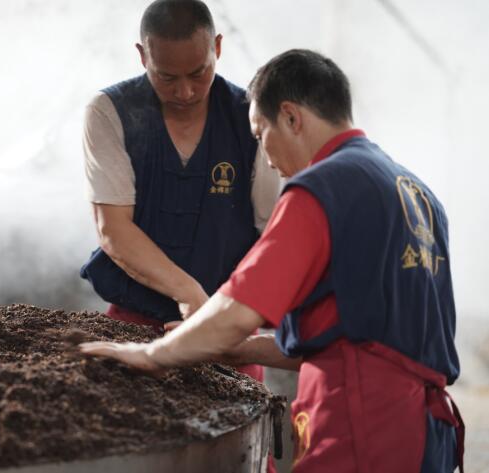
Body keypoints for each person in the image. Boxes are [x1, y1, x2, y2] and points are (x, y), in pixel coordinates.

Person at [81, 49, 464, 473]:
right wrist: (243, 349)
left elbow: (238, 309)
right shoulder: (418, 194)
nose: (265, 158)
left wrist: (154, 354)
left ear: (291, 118)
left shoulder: (322, 188)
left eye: (261, 136)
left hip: (360, 422)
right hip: (426, 430)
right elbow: (357, 333)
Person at [80, 0, 281, 382]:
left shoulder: (252, 117)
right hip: (134, 324)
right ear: (142, 56)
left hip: (226, 331)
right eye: (167, 77)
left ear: (217, 48)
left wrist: (220, 318)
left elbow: (270, 234)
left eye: (198, 72)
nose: (186, 91)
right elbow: (113, 230)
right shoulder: (109, 113)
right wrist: (189, 294)